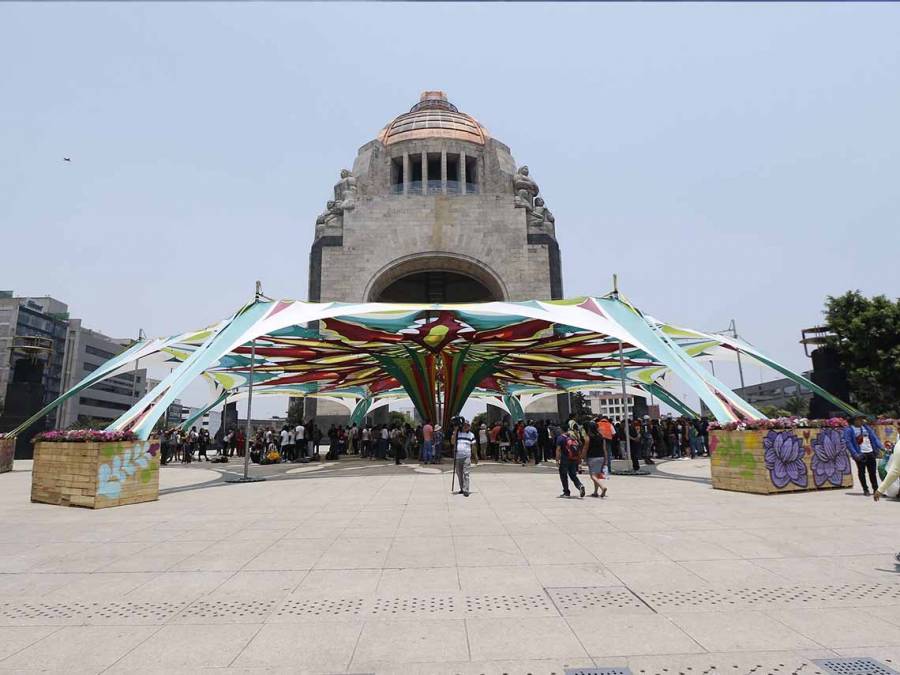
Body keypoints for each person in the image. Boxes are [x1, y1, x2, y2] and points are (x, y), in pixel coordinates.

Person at [843, 415, 885, 495]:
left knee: (872, 472)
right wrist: (855, 454)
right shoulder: (849, 430)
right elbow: (848, 443)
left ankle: (876, 489)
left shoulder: (866, 428)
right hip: (860, 454)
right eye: (859, 419)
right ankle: (865, 489)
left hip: (870, 452)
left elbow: (874, 438)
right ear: (854, 420)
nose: (862, 421)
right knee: (862, 472)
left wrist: (882, 448)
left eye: (862, 419)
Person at [556, 427, 585, 498]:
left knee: (563, 475)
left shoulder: (560, 438)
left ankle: (566, 492)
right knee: (573, 475)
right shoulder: (572, 437)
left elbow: (558, 449)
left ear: (561, 429)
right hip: (573, 459)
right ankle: (580, 485)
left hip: (565, 459)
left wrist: (557, 459)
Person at [585, 423, 609, 498]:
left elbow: (585, 448)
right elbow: (604, 449)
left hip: (592, 457)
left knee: (593, 476)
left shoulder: (588, 437)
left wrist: (582, 457)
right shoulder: (601, 437)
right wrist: (606, 459)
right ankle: (595, 492)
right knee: (597, 475)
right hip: (601, 457)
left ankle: (602, 487)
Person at [452, 420, 475, 496]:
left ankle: (466, 490)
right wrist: (455, 431)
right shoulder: (458, 434)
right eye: (464, 425)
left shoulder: (471, 435)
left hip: (467, 456)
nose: (466, 427)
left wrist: (476, 456)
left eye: (467, 425)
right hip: (458, 456)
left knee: (466, 473)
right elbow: (452, 442)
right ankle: (462, 488)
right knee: (459, 473)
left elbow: (473, 446)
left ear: (469, 427)